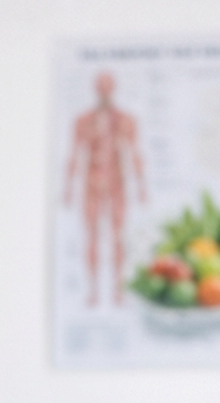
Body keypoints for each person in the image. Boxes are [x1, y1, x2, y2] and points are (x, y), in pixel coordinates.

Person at [63, 72, 147, 306]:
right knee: (91, 237)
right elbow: (74, 154)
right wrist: (68, 188)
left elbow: (135, 153)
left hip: (116, 184)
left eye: (107, 87)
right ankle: (92, 291)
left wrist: (141, 187)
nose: (104, 91)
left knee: (118, 237)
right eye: (101, 86)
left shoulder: (126, 120)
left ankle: (118, 290)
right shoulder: (83, 121)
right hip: (91, 183)